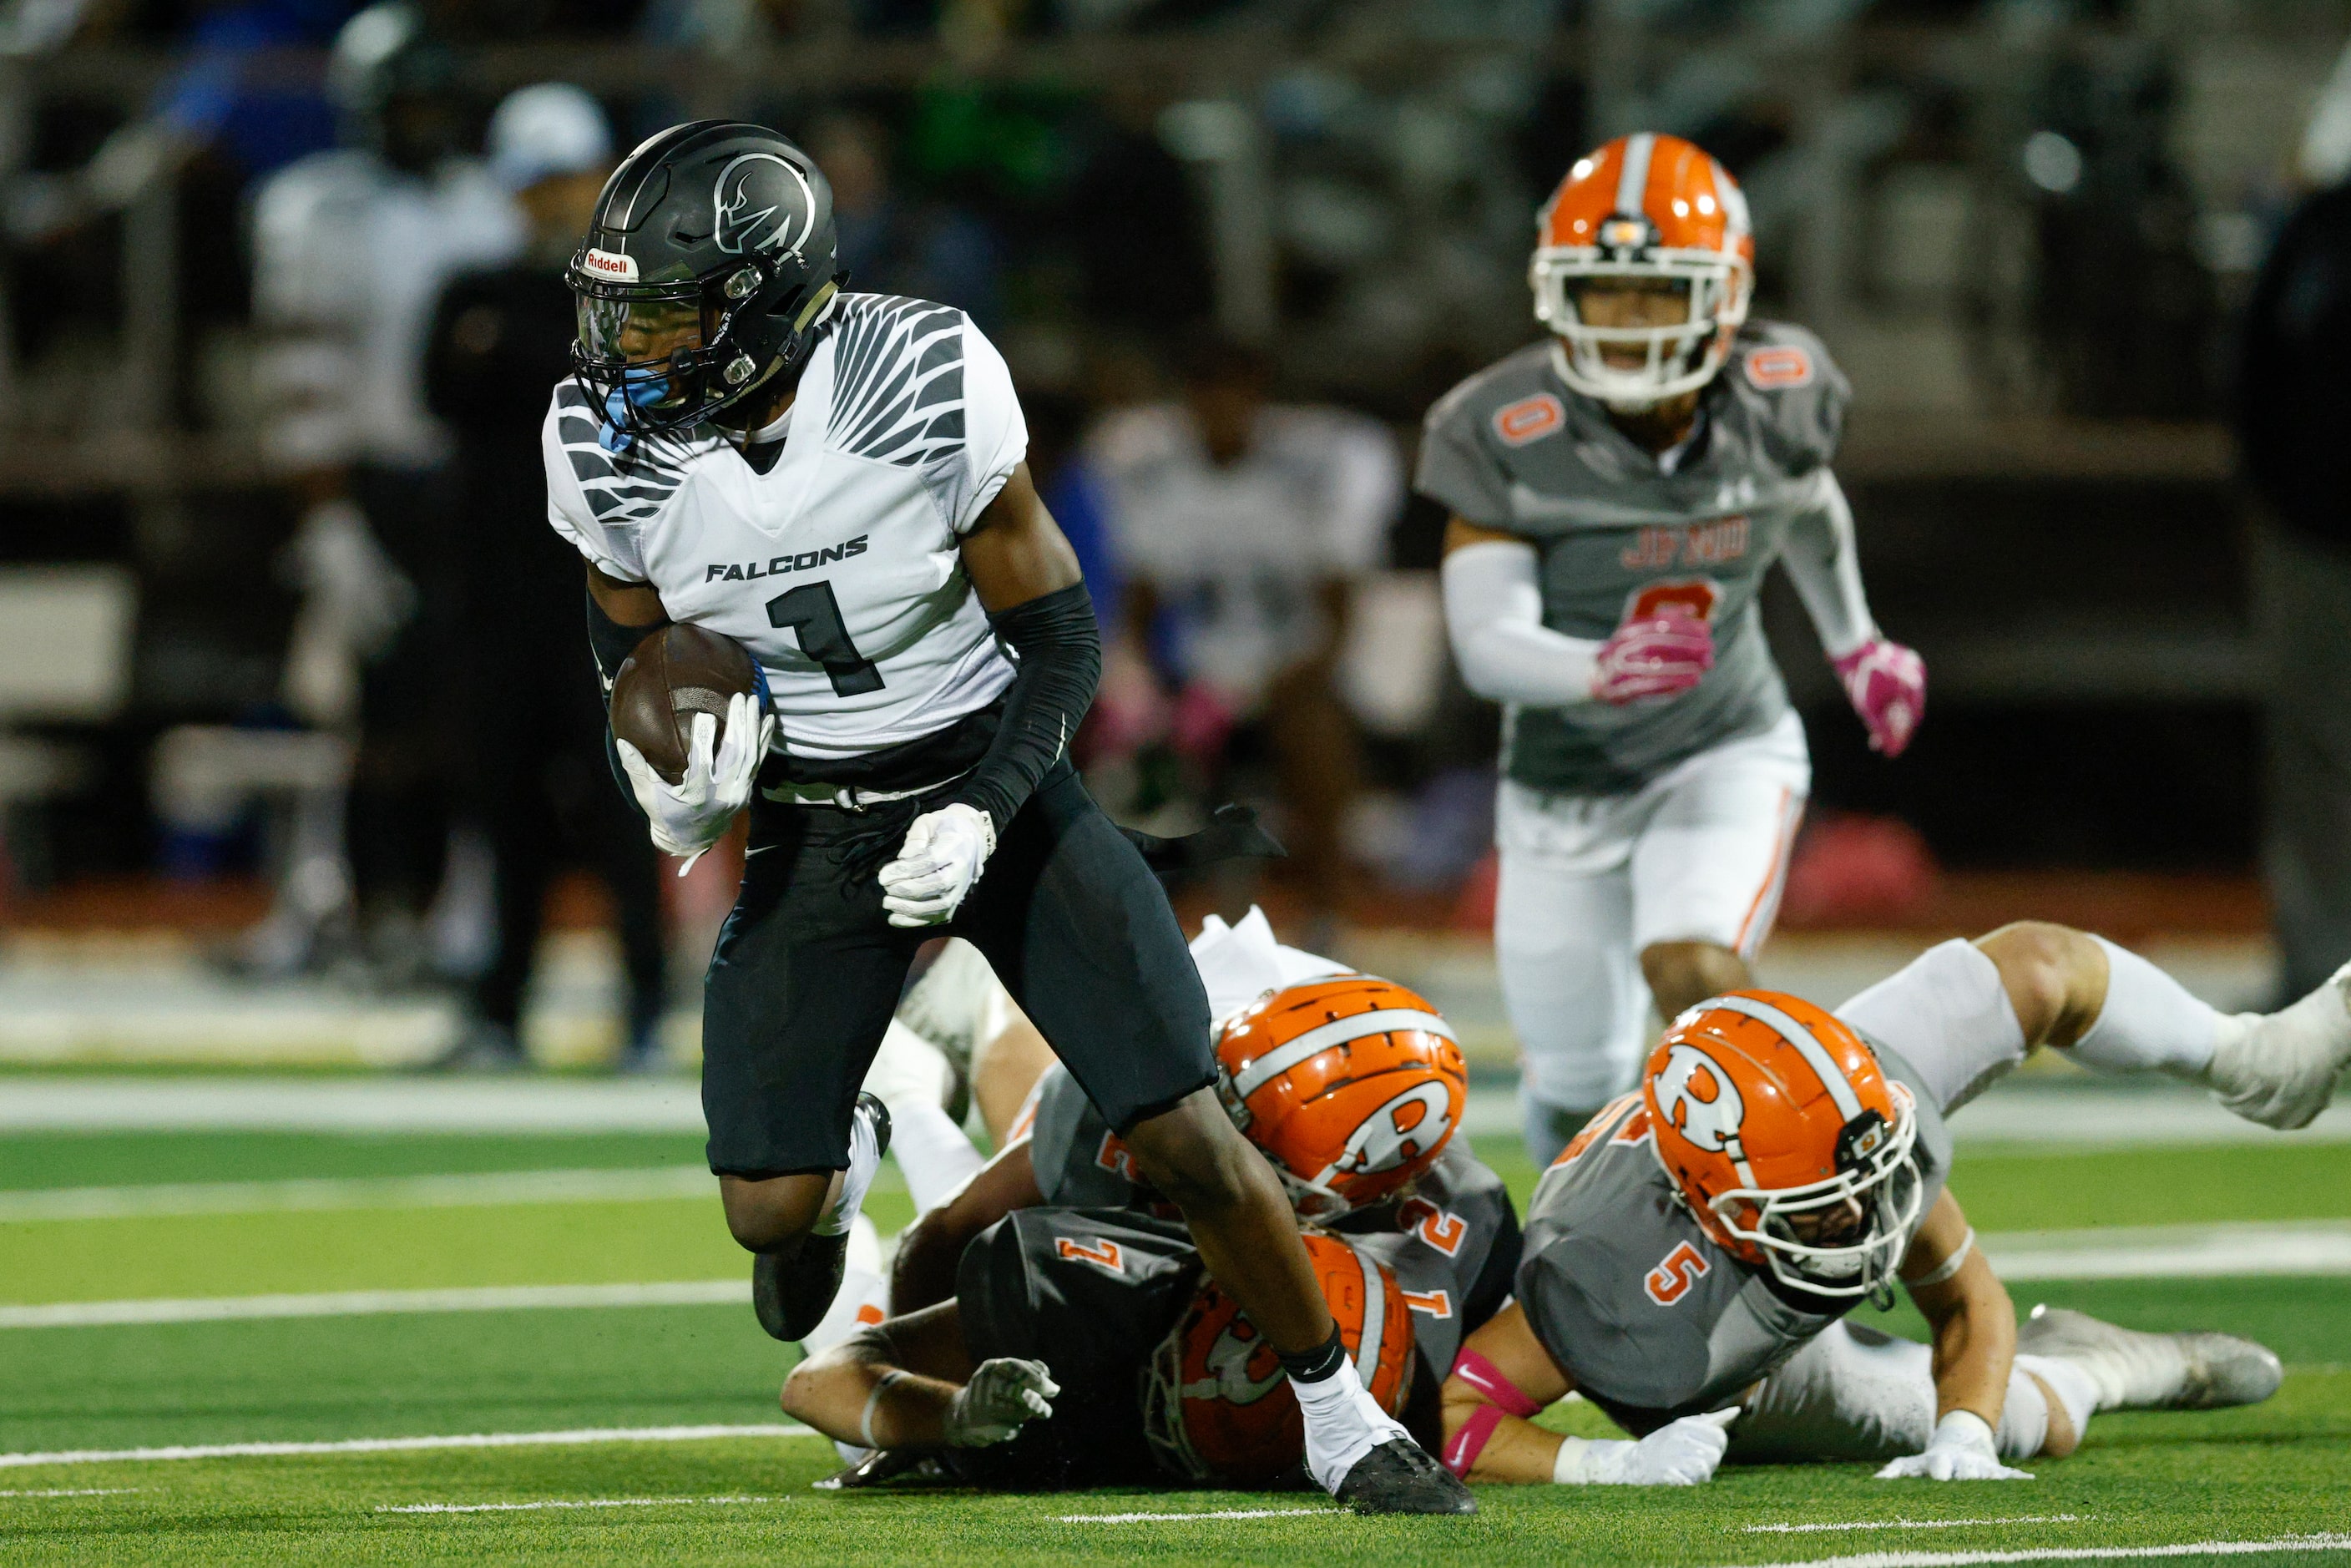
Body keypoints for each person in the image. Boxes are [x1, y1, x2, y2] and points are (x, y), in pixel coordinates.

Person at [545, 120, 1468, 1515]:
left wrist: (982, 809)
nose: (629, 350)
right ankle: (848, 1149)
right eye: (621, 311)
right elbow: (632, 645)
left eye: (667, 314)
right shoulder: (595, 444)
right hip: (814, 813)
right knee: (773, 1231)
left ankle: (1342, 1420)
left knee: (1186, 1130)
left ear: (764, 302)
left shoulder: (914, 372)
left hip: (1000, 779)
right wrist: (665, 764)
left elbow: (1061, 635)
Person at [1421, 134, 1927, 1165]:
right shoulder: (1497, 426)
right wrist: (1594, 670)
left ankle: (1829, 1203)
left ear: (1725, 294)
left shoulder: (1778, 391)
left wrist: (1855, 641)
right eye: (1603, 291)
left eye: (1656, 291)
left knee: (1693, 973)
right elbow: (1483, 642)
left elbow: (1803, 504)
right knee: (1573, 1091)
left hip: (1721, 746)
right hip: (1565, 785)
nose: (1627, 320)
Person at [1438, 921, 2350, 1487]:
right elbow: (1455, 1416)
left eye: (1862, 1187)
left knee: (2035, 966)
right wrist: (1604, 1464)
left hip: (1789, 1153)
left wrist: (1963, 1431)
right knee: (2036, 1418)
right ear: (1712, 1206)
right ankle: (2101, 1369)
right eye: (1817, 1207)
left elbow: (1964, 1301)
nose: (1861, 1220)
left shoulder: (1855, 1124)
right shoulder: (1611, 1282)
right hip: (1744, 1369)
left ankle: (2260, 1061)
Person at [883, 912, 1520, 1393]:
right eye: (1233, 1115)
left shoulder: (1440, 1194)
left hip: (1306, 1039)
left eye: (1259, 1149)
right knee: (1028, 1147)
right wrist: (908, 1392)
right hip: (1194, 1014)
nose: (1233, 1147)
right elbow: (946, 1233)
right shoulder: (1154, 1080)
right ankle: (929, 1067)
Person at [248, 1, 523, 976]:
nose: (419, 121)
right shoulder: (316, 207)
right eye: (401, 104)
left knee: (473, 712)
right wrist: (324, 520)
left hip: (468, 483)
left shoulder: (483, 203)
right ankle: (343, 908)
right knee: (358, 718)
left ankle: (458, 912)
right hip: (365, 486)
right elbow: (301, 383)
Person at [422, 84, 669, 1072]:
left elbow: (621, 394)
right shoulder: (471, 285)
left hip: (607, 587)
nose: (551, 198)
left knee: (627, 802)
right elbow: (439, 391)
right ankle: (498, 1010)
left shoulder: (631, 291)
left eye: (564, 177)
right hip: (498, 592)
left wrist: (515, 355)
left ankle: (647, 1006)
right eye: (537, 182)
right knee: (504, 807)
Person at [1089, 341, 1402, 917]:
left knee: (1312, 730)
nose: (1220, 407)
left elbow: (1338, 615)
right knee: (1097, 722)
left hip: (1292, 672)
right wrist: (1146, 688)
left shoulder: (1319, 466)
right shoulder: (1147, 468)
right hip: (1194, 674)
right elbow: (1141, 603)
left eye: (1233, 391)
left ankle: (1327, 913)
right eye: (1206, 391)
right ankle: (1117, 908)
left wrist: (1286, 681)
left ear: (1259, 397)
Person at [781, 1218, 1428, 1492]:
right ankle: (837, 1211)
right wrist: (951, 1416)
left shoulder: (1369, 1401)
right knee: (851, 1324)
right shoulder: (1081, 1296)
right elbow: (815, 1383)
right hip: (1010, 1288)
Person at [2237, 174, 2351, 1006]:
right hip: (2309, 532)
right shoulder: (2317, 227)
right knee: (2314, 755)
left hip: (2309, 515)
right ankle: (2318, 973)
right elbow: (2255, 367)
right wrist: (2270, 494)